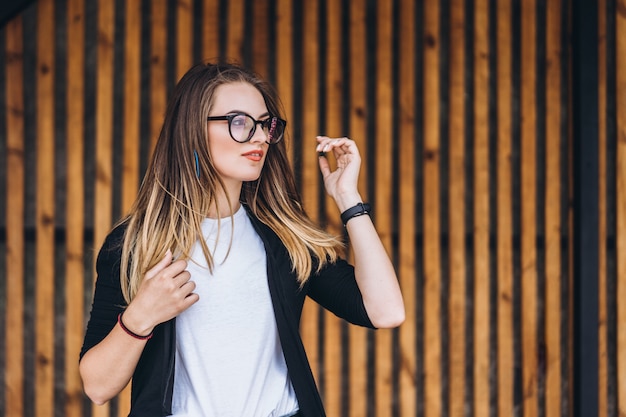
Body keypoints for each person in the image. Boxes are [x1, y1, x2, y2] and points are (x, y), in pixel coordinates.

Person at [79, 62, 405, 417]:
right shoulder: (135, 245)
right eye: (239, 122)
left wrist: (348, 199)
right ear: (193, 130)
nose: (261, 137)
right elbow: (97, 387)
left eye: (266, 124)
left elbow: (384, 311)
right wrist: (141, 315)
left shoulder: (283, 239)